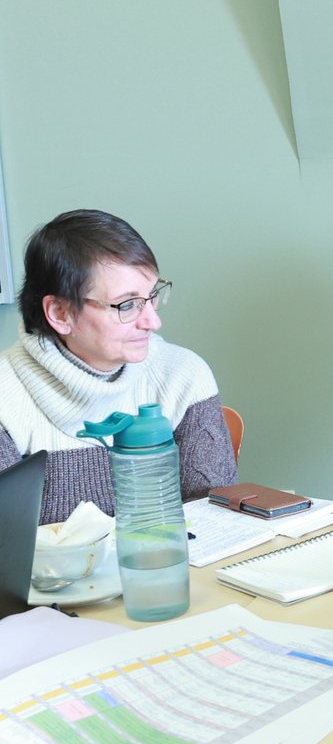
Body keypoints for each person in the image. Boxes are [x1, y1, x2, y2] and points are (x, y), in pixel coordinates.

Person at [0, 209, 238, 524]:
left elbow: (215, 522)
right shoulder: (6, 396)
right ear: (59, 313)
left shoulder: (182, 375)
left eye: (152, 296)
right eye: (127, 305)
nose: (153, 321)